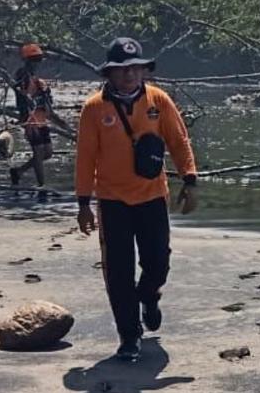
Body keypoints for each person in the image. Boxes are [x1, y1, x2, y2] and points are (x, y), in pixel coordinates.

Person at [74, 37, 198, 361]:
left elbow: (178, 140)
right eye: (122, 70)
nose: (129, 75)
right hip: (112, 200)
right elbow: (85, 157)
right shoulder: (94, 109)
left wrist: (190, 179)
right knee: (118, 272)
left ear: (144, 70)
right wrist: (83, 203)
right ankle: (129, 336)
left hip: (152, 195)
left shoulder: (159, 100)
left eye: (135, 69)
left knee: (158, 262)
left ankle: (149, 296)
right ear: (110, 74)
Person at [9, 43, 69, 187]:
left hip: (41, 118)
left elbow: (47, 107)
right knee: (38, 151)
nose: (36, 63)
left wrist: (61, 123)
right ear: (26, 60)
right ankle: (41, 184)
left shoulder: (38, 80)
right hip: (30, 119)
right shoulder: (22, 75)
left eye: (38, 60)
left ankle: (18, 171)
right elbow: (22, 95)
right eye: (33, 60)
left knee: (47, 152)